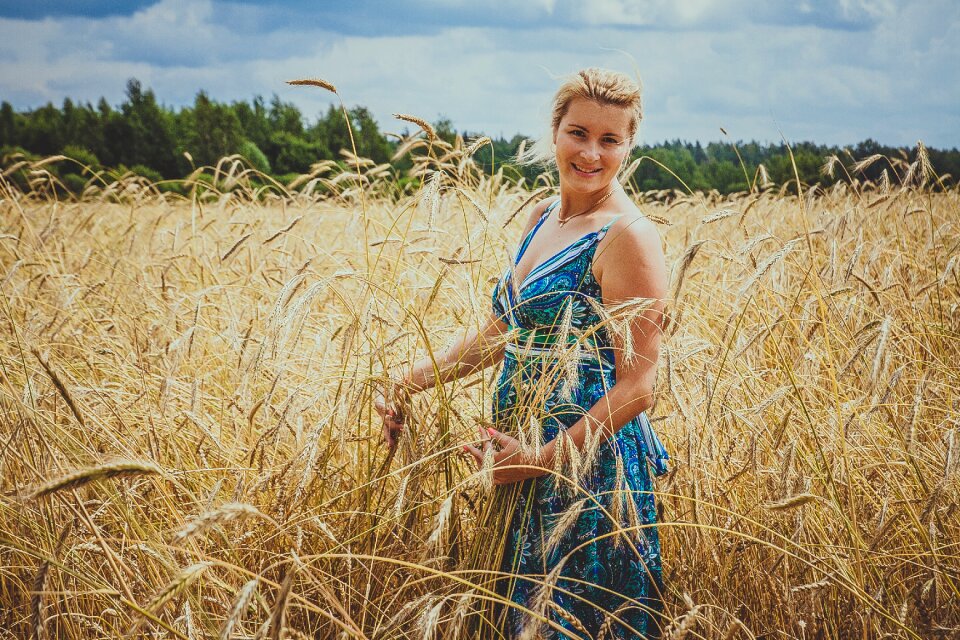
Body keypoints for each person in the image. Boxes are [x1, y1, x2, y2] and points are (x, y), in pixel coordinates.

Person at [376, 67, 670, 639]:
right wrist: (404, 382)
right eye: (578, 132)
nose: (591, 152)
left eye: (610, 140)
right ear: (554, 130)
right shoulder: (543, 217)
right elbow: (503, 332)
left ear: (629, 146)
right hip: (519, 455)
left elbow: (639, 387)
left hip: (588, 472)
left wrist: (541, 458)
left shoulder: (627, 237)